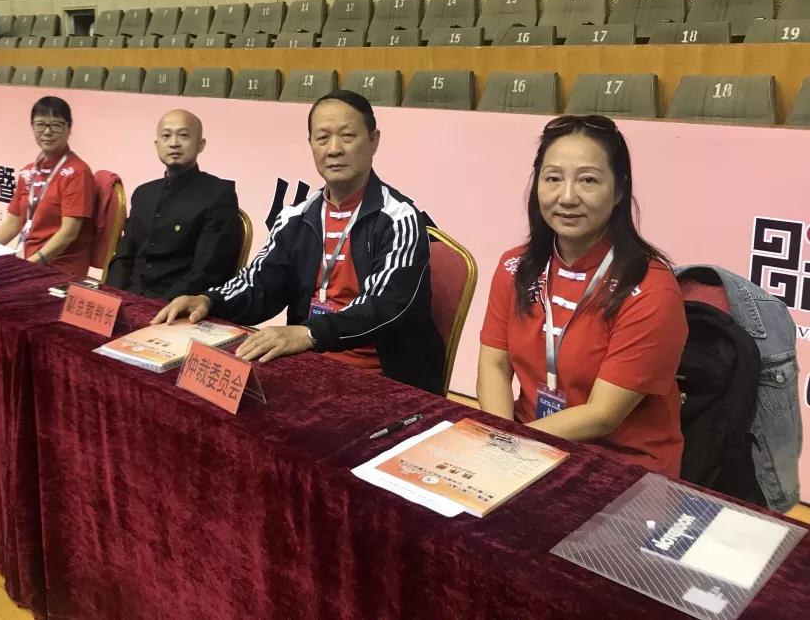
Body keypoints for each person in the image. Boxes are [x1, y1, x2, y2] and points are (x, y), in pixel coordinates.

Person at [153, 90, 444, 393]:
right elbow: (258, 283)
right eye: (322, 138)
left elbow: (384, 306)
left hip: (385, 381)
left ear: (373, 141)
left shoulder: (399, 218)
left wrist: (308, 334)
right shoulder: (296, 217)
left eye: (347, 136)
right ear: (311, 145)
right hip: (307, 364)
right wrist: (208, 300)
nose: (334, 149)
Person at [476, 115, 688, 477]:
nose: (567, 197)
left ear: (619, 190)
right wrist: (501, 438)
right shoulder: (515, 267)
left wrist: (514, 445)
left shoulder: (651, 289)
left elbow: (602, 415)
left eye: (588, 180)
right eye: (553, 178)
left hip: (618, 465)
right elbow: (494, 365)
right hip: (527, 444)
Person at [106, 110, 241, 299]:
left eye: (183, 135)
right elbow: (124, 256)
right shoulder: (143, 193)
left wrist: (161, 306)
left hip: (178, 304)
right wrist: (110, 297)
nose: (174, 143)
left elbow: (209, 270)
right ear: (157, 145)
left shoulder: (218, 194)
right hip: (130, 297)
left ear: (200, 144)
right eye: (166, 136)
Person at [0, 96, 98, 276]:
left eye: (56, 125)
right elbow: (13, 223)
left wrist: (28, 266)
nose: (47, 132)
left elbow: (69, 233)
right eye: (40, 124)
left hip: (60, 270)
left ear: (69, 128)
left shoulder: (77, 172)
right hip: (30, 264)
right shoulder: (28, 171)